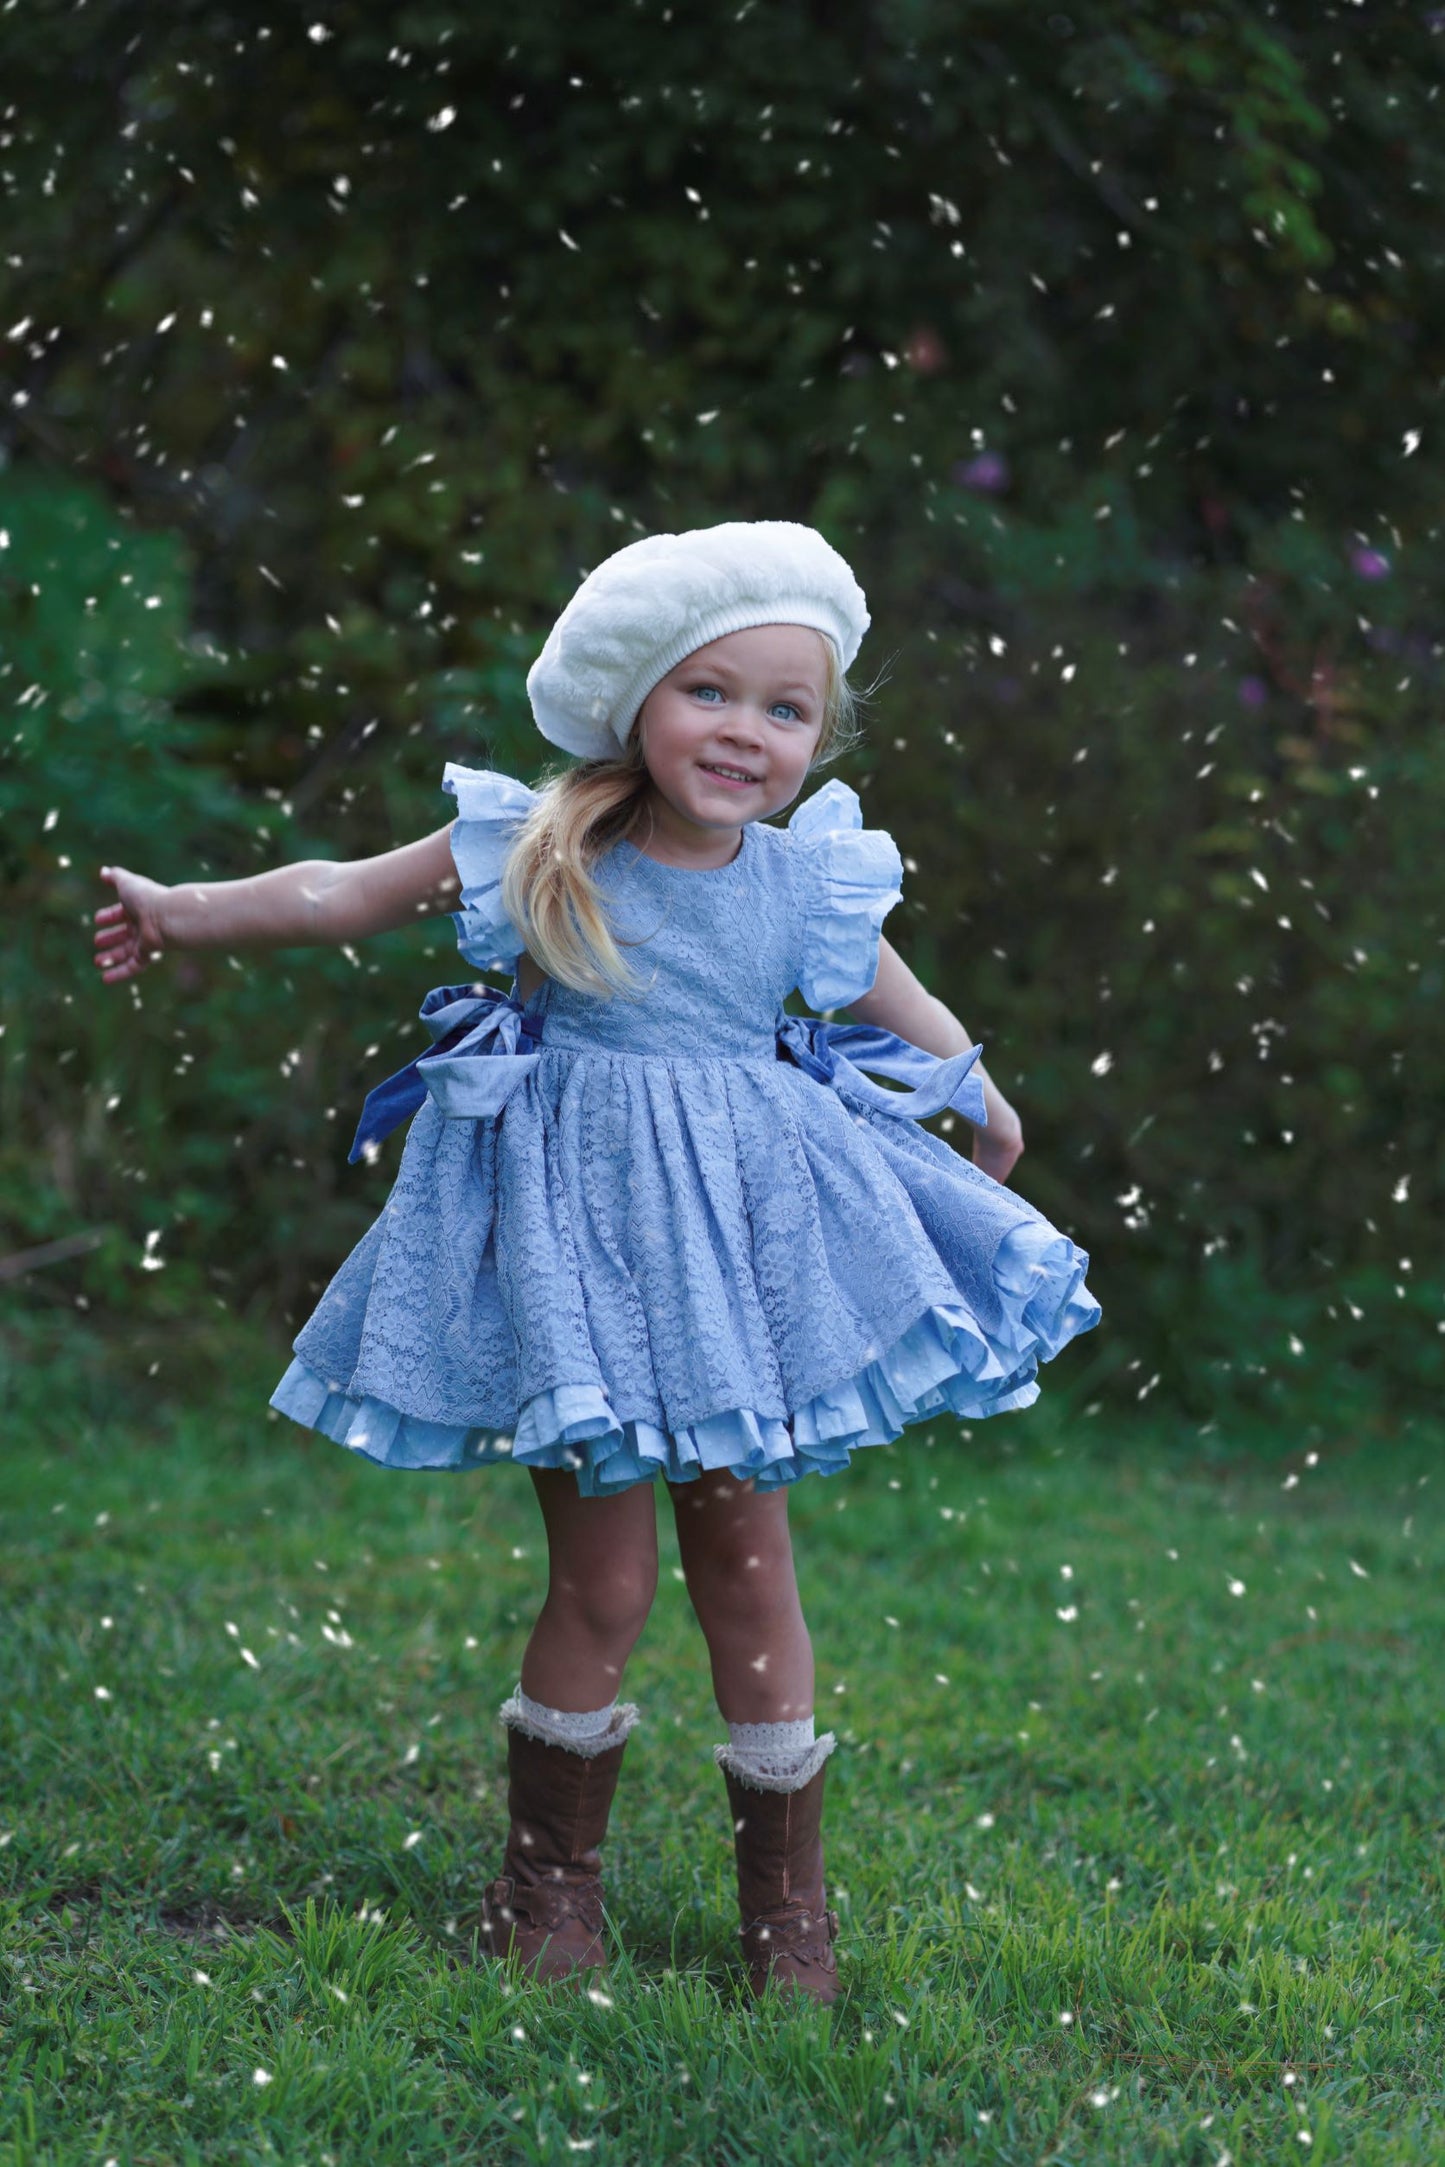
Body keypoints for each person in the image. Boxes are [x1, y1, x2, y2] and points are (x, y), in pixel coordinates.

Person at [93, 520, 1101, 2005]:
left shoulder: (799, 883)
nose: (744, 733)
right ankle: (546, 1887)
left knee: (747, 1564)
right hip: (579, 1261)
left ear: (818, 738)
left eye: (785, 709)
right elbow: (339, 894)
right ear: (634, 694)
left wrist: (982, 1099)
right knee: (606, 1585)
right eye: (709, 693)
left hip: (735, 1264)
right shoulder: (537, 845)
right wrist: (185, 914)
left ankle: (787, 1914)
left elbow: (909, 1005)